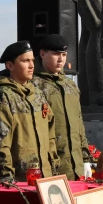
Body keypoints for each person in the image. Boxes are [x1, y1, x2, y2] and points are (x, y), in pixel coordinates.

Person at [0, 41, 60, 181]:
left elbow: (50, 135)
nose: (32, 65)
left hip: (45, 176)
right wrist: (7, 178)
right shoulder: (2, 96)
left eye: (32, 60)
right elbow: (0, 144)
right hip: (20, 179)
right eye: (25, 61)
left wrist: (53, 168)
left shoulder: (37, 95)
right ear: (10, 66)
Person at [32, 34, 93, 181]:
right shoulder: (34, 85)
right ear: (42, 54)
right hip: (51, 164)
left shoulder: (70, 85)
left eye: (64, 55)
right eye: (55, 54)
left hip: (76, 164)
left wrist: (85, 158)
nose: (61, 59)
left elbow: (79, 124)